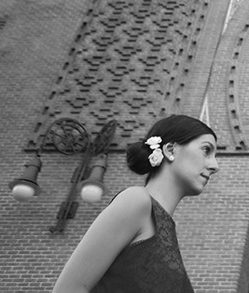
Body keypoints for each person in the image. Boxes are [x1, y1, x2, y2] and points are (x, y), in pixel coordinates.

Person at [52, 115, 219, 293]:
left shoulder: (167, 231)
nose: (215, 165)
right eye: (206, 150)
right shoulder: (137, 201)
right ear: (171, 150)